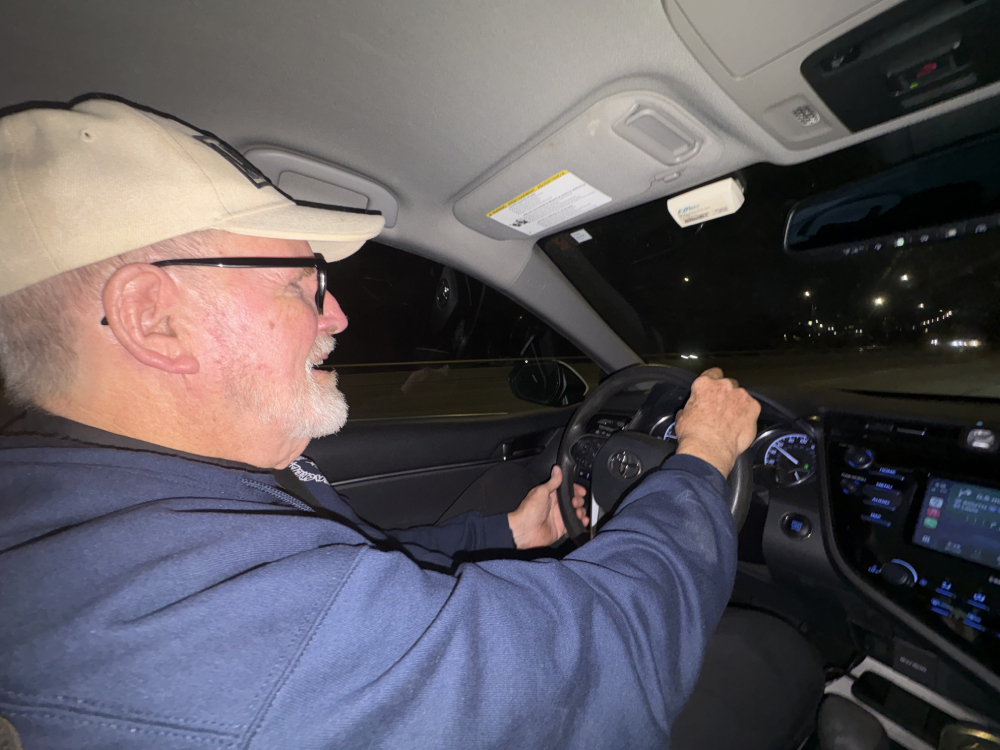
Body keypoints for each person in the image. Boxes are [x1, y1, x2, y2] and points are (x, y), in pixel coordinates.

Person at [0, 98, 819, 749]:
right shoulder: (223, 633)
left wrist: (501, 533)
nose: (339, 316)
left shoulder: (89, 500)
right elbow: (610, 652)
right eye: (300, 284)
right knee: (773, 656)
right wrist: (703, 458)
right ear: (155, 319)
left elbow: (337, 574)